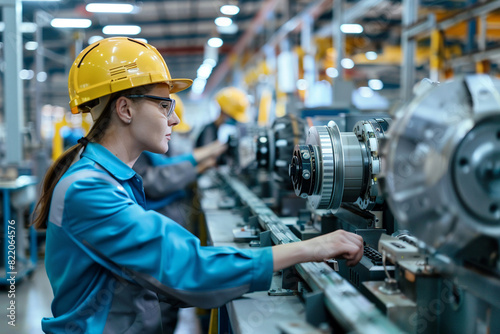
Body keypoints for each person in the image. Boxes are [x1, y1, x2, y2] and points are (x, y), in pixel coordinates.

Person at [33, 37, 363, 333]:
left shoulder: (110, 178)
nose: (175, 119)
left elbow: (171, 267)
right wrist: (309, 248)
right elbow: (187, 268)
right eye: (165, 106)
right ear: (124, 109)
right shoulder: (89, 190)